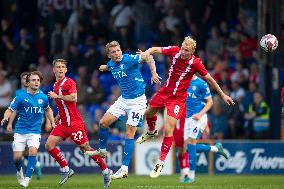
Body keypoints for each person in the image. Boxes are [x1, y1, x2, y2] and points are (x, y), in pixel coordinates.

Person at [136, 36, 234, 178]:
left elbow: (210, 79)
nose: (183, 52)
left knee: (169, 129)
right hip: (165, 92)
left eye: (186, 50)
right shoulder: (175, 51)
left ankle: (160, 162)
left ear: (192, 51)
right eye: (182, 48)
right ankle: (151, 131)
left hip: (177, 100)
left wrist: (223, 94)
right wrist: (147, 52)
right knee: (148, 113)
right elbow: (157, 49)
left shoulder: (196, 63)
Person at [84, 41, 161, 179]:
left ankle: (124, 169)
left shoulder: (129, 59)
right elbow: (107, 66)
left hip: (138, 102)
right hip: (123, 100)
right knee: (103, 123)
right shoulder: (112, 64)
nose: (117, 53)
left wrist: (154, 73)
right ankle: (102, 150)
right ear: (109, 55)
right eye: (113, 52)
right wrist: (102, 67)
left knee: (129, 132)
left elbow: (149, 57)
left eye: (118, 50)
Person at [46, 59, 112, 188]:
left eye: (62, 67)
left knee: (86, 149)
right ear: (53, 70)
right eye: (57, 67)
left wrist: (57, 96)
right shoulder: (55, 85)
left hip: (74, 123)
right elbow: (64, 105)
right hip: (63, 123)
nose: (60, 69)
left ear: (66, 70)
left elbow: (73, 98)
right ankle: (66, 169)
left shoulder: (69, 82)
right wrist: (58, 116)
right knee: (49, 145)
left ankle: (106, 171)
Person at [0, 71, 55, 188]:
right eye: (33, 80)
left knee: (33, 152)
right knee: (17, 158)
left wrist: (51, 121)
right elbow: (10, 109)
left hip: (35, 131)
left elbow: (48, 109)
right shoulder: (20, 97)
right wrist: (5, 117)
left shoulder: (43, 97)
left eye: (38, 81)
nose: (36, 82)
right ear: (28, 82)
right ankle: (19, 172)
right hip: (20, 131)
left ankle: (27, 179)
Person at [175, 75, 228, 183]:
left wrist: (201, 117)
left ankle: (191, 176)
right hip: (188, 119)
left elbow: (210, 102)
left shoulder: (201, 83)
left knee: (191, 143)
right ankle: (216, 149)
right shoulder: (182, 82)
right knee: (186, 148)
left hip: (199, 117)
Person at [7, 72, 46, 180]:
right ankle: (37, 165)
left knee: (28, 149)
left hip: (34, 124)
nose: (25, 81)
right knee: (22, 151)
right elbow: (14, 109)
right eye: (23, 79)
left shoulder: (39, 92)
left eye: (26, 79)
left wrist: (46, 121)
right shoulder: (19, 93)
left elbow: (44, 107)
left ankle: (34, 168)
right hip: (22, 123)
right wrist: (10, 123)